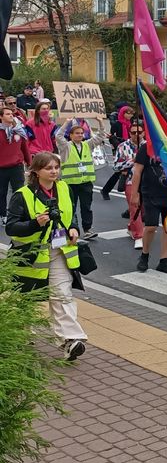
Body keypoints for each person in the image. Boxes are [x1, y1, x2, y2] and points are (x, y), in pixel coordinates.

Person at [6, 151, 86, 361]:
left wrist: (74, 228)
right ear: (36, 171)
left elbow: (71, 214)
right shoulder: (22, 195)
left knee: (62, 293)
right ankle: (22, 334)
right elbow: (11, 228)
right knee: (27, 297)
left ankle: (71, 340)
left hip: (60, 251)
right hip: (30, 255)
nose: (54, 172)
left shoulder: (63, 188)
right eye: (48, 168)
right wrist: (35, 224)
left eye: (56, 167)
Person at [130, 136, 167, 273]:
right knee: (150, 226)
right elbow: (137, 171)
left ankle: (164, 259)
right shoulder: (146, 148)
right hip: (150, 193)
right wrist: (134, 193)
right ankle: (144, 255)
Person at [56, 118, 102, 240]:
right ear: (70, 135)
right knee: (71, 207)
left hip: (86, 182)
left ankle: (87, 230)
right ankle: (72, 229)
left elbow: (100, 137)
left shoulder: (88, 145)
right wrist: (66, 122)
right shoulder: (66, 147)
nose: (80, 135)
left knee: (86, 207)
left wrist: (100, 122)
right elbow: (58, 136)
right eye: (77, 133)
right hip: (70, 184)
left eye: (81, 133)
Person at [0, 105, 29, 220]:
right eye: (7, 114)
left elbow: (24, 148)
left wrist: (29, 162)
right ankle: (3, 215)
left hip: (17, 166)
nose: (11, 115)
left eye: (11, 113)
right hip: (1, 167)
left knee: (19, 192)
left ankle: (17, 214)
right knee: (2, 193)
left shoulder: (18, 130)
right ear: (1, 117)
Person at [102, 105, 135, 198]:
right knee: (119, 171)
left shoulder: (131, 124)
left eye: (131, 114)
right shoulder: (116, 124)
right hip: (119, 149)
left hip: (131, 148)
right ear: (122, 113)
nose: (130, 116)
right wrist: (119, 146)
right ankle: (106, 190)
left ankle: (130, 192)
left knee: (130, 170)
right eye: (127, 113)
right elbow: (111, 137)